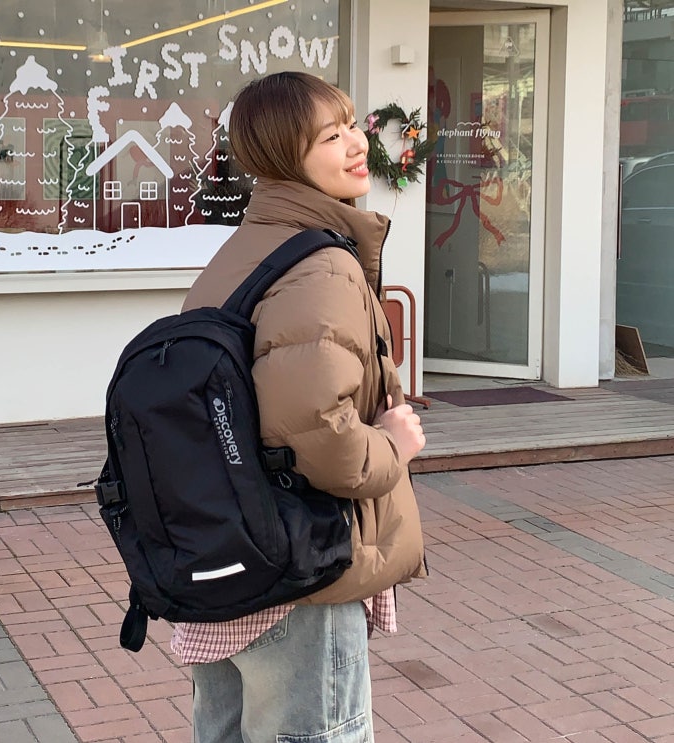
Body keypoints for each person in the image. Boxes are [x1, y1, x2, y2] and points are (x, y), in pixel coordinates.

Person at [173, 71, 427, 743]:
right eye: (328, 136)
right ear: (284, 156)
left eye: (351, 127)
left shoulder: (245, 246)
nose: (356, 145)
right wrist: (394, 444)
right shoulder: (319, 263)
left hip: (230, 557)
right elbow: (320, 437)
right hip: (301, 567)